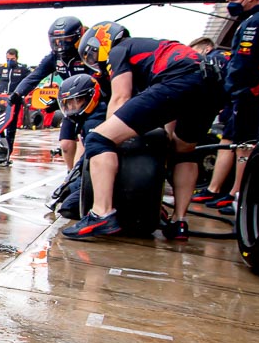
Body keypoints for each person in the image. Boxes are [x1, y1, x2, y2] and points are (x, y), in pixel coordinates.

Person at [61, 22, 226, 241]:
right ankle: (179, 222)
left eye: (91, 54)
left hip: (180, 79)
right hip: (211, 85)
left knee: (98, 139)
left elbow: (120, 97)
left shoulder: (119, 50)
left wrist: (110, 133)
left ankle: (101, 214)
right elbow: (170, 112)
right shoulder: (153, 47)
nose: (94, 60)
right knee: (183, 152)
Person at [193, 0, 259, 213]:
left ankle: (237, 194)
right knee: (228, 141)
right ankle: (215, 189)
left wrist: (233, 87)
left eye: (234, 1)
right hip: (239, 92)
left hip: (248, 91)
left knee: (243, 145)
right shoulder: (247, 21)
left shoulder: (256, 21)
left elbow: (244, 61)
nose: (230, 6)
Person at [15, 16, 103, 170]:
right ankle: (70, 174)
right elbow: (35, 76)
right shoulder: (54, 57)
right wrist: (17, 93)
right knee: (66, 145)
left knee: (84, 142)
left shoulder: (90, 53)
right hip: (72, 106)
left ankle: (81, 177)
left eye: (66, 40)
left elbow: (100, 80)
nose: (61, 44)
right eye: (57, 40)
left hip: (94, 104)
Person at [0, 48, 31, 158]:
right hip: (1, 99)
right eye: (8, 59)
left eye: (12, 59)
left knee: (11, 126)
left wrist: (23, 93)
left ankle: (8, 150)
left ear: (16, 58)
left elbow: (31, 81)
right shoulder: (2, 68)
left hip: (15, 99)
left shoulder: (23, 69)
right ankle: (2, 143)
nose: (10, 61)